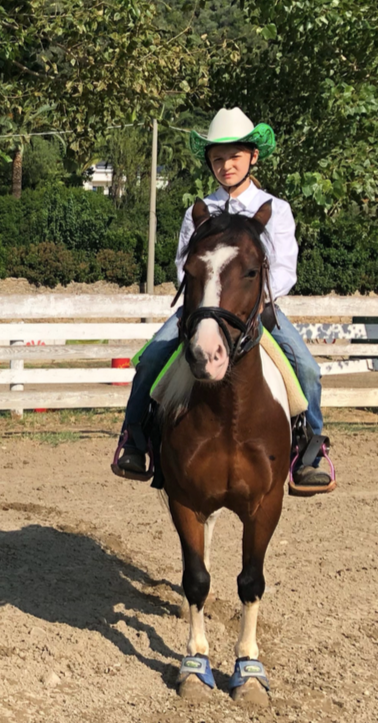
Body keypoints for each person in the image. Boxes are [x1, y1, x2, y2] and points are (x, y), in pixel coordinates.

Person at [114, 107, 332, 491]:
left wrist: (255, 302)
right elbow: (184, 264)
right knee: (150, 360)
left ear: (253, 156)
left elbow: (285, 269)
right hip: (200, 309)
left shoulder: (276, 210)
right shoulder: (199, 211)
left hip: (256, 310)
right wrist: (203, 303)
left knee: (308, 369)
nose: (226, 165)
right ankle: (136, 437)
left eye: (234, 157)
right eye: (217, 158)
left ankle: (309, 447)